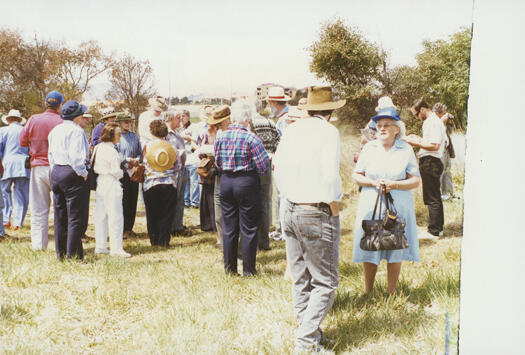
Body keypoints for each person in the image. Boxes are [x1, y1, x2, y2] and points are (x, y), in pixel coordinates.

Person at [273, 86, 344, 353]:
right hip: (315, 209)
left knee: (301, 277)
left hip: (289, 207)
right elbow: (330, 175)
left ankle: (309, 333)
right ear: (329, 112)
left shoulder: (292, 129)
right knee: (325, 282)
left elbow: (276, 167)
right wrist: (334, 200)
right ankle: (305, 342)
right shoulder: (328, 132)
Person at [352, 107, 421, 296]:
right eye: (378, 125)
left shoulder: (405, 149)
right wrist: (373, 183)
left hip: (397, 205)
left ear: (397, 129)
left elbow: (415, 180)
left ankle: (392, 292)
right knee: (371, 244)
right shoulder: (368, 148)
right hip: (371, 203)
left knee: (395, 245)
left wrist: (395, 185)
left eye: (387, 125)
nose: (381, 129)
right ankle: (368, 291)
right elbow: (356, 175)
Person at [213, 105, 270, 276]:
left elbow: (218, 162)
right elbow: (263, 166)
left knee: (229, 227)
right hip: (246, 181)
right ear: (246, 119)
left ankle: (229, 269)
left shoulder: (221, 137)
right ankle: (249, 270)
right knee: (249, 228)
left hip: (226, 181)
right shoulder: (251, 138)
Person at [19, 90, 63, 250]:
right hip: (57, 166)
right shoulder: (62, 121)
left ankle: (38, 245)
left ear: (46, 103)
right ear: (60, 106)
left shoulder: (33, 119)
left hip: (38, 165)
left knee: (39, 209)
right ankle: (62, 245)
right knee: (61, 208)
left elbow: (22, 141)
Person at [48, 100, 91, 259]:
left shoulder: (55, 130)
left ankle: (61, 252)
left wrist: (54, 171)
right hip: (71, 172)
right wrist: (83, 172)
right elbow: (76, 157)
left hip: (57, 170)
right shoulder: (77, 131)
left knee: (60, 215)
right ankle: (73, 255)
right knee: (75, 216)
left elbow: (51, 154)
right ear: (76, 116)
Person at [404, 98, 447, 238]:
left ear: (422, 110)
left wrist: (414, 143)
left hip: (431, 161)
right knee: (433, 196)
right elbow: (430, 142)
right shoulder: (431, 122)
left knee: (432, 197)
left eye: (416, 114)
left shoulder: (433, 122)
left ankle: (434, 231)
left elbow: (434, 146)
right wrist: (418, 139)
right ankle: (436, 228)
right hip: (430, 161)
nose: (416, 118)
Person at [242, 101, 280, 250]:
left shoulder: (248, 124)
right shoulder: (269, 123)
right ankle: (264, 241)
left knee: (249, 205)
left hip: (249, 168)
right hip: (266, 166)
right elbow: (278, 142)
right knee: (265, 204)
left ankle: (251, 241)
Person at [93, 123, 130, 257]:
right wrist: (123, 173)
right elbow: (116, 171)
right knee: (116, 216)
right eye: (118, 134)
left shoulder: (98, 147)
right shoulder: (112, 151)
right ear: (111, 135)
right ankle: (116, 248)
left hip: (101, 181)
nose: (120, 136)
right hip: (111, 182)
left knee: (100, 215)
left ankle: (101, 246)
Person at [142, 119, 177, 247]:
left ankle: (154, 239)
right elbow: (178, 165)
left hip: (150, 183)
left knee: (152, 213)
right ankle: (164, 240)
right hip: (168, 183)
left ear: (151, 131)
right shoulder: (171, 147)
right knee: (166, 213)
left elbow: (143, 162)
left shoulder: (147, 146)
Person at [266, 86, 291, 242]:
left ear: (275, 103)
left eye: (270, 103)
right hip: (286, 162)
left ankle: (281, 229)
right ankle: (280, 228)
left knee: (282, 196)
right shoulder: (286, 117)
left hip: (284, 163)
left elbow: (283, 144)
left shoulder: (284, 120)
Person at [0, 110, 30, 231]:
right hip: (23, 164)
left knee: (4, 193)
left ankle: (6, 219)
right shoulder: (25, 131)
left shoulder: (3, 130)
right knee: (21, 194)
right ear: (19, 120)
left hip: (6, 165)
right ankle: (18, 222)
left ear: (8, 120)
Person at [114, 113, 141, 238]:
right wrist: (126, 163)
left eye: (129, 121)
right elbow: (115, 155)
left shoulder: (135, 137)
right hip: (122, 173)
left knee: (132, 200)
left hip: (133, 172)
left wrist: (137, 161)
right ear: (119, 123)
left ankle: (130, 227)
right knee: (122, 201)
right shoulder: (117, 137)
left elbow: (140, 152)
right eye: (125, 121)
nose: (128, 124)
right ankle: (122, 228)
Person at [165, 110, 188, 236]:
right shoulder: (165, 134)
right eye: (178, 118)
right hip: (173, 170)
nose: (180, 120)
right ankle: (170, 226)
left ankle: (178, 225)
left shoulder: (177, 134)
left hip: (182, 169)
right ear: (170, 119)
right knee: (173, 199)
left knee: (180, 199)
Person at [433, 103, 456, 200]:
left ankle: (449, 194)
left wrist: (448, 122)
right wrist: (442, 121)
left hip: (446, 150)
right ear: (438, 113)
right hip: (439, 150)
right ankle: (438, 195)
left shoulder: (443, 123)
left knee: (447, 172)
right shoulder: (433, 122)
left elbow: (450, 132)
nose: (445, 115)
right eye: (443, 113)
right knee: (440, 172)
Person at [181, 109, 201, 208]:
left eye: (183, 116)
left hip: (192, 157)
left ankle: (195, 203)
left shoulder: (194, 127)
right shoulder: (179, 128)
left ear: (188, 117)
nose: (181, 118)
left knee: (195, 181)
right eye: (180, 116)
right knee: (185, 182)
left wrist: (184, 137)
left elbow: (194, 139)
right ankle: (186, 202)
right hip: (183, 158)